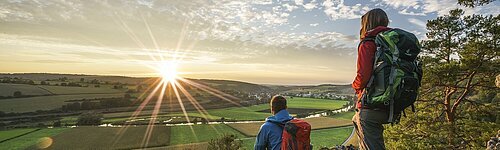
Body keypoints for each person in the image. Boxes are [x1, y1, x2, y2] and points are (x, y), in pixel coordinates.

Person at [351, 8, 391, 150]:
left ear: (367, 24)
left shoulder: (368, 43)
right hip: (389, 104)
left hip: (371, 105)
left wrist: (354, 86)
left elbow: (363, 77)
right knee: (356, 120)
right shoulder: (392, 43)